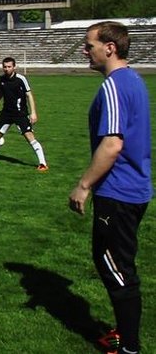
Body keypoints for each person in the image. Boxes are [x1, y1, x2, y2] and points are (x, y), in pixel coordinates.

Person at [69, 22, 151, 354]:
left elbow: (113, 144)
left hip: (118, 193)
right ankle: (124, 330)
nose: (84, 51)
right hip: (133, 189)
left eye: (89, 45)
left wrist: (83, 185)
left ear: (109, 48)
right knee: (117, 263)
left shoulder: (115, 85)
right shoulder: (133, 79)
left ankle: (129, 346)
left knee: (114, 267)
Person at [0, 56, 48, 171]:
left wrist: (33, 113)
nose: (6, 69)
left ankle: (42, 163)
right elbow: (0, 93)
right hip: (6, 113)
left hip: (20, 114)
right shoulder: (1, 79)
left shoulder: (21, 79)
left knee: (29, 137)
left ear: (14, 67)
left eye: (9, 67)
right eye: (5, 67)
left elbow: (29, 95)